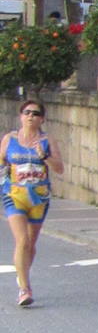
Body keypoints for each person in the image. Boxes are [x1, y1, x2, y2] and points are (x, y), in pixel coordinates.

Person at [1, 99, 64, 307]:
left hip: (39, 196)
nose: (31, 116)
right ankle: (24, 288)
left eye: (35, 114)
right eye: (27, 112)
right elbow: (2, 161)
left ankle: (22, 274)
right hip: (14, 194)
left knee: (31, 242)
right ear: (21, 116)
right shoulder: (9, 139)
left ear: (42, 119)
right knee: (22, 240)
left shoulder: (47, 140)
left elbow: (59, 168)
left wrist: (44, 156)